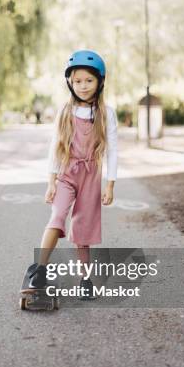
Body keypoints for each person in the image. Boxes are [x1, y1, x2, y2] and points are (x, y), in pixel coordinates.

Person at [27, 49, 117, 299]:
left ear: (100, 82)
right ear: (70, 82)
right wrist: (51, 181)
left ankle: (85, 280)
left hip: (91, 176)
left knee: (83, 229)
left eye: (89, 80)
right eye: (77, 81)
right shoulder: (65, 112)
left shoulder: (106, 114)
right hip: (67, 172)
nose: (83, 86)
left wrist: (110, 185)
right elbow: (54, 148)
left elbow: (113, 151)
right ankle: (40, 268)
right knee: (57, 216)